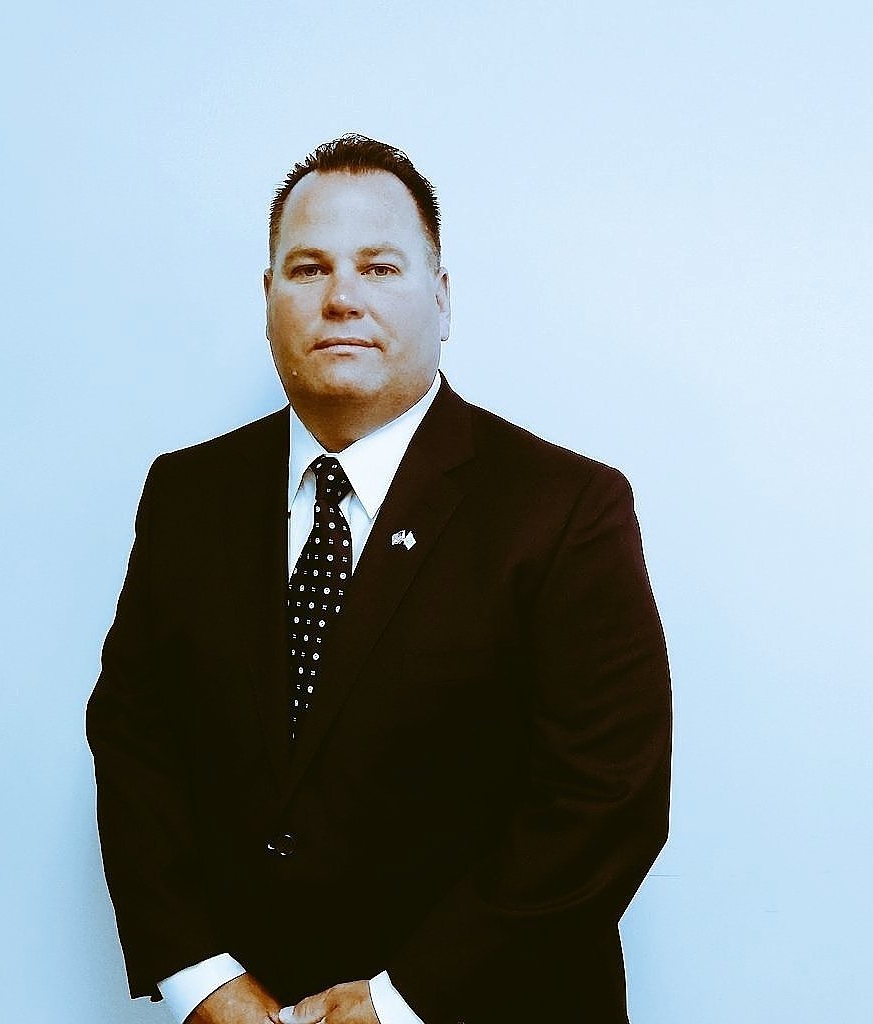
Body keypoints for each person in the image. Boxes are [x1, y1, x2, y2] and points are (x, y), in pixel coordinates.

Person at [87, 134, 672, 1024]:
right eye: (308, 268)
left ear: (442, 297)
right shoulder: (188, 494)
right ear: (268, 296)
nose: (341, 298)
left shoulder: (565, 509)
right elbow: (135, 744)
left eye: (380, 267)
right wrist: (200, 978)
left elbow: (605, 800)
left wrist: (401, 1004)